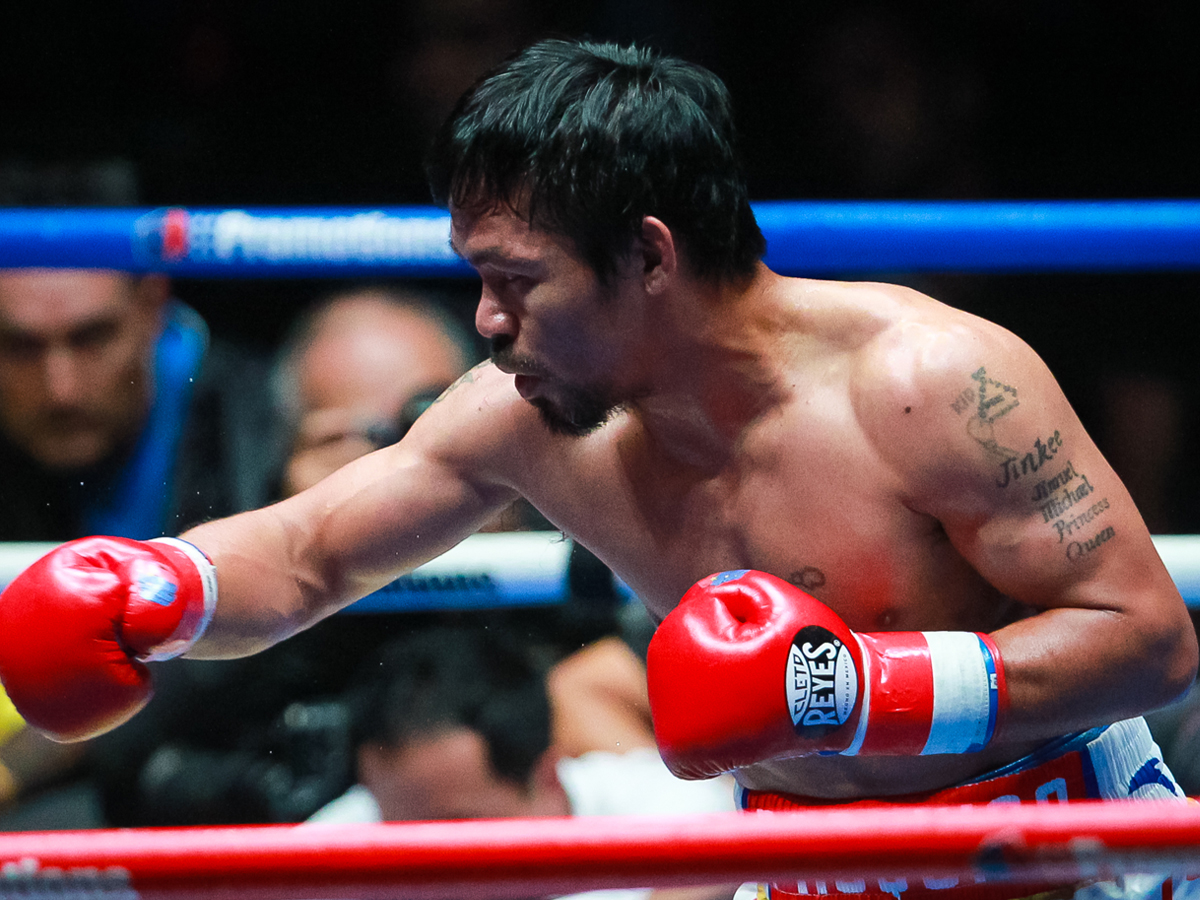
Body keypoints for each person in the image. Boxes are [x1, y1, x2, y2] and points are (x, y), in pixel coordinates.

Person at [0, 39, 1195, 899]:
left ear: (650, 257)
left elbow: (1151, 640)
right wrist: (162, 588)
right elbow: (310, 554)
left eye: (518, 281)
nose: (485, 321)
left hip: (1062, 848)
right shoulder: (530, 418)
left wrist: (856, 688)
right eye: (478, 277)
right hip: (808, 862)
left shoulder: (930, 385)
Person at [307, 625, 737, 900]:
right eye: (393, 835)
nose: (420, 865)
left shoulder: (676, 819)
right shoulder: (323, 854)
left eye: (452, 832)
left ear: (547, 777)